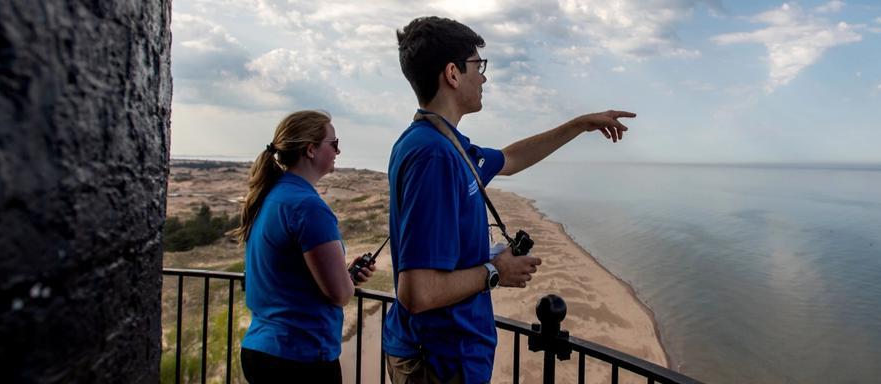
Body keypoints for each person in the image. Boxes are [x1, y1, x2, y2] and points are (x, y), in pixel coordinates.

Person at [384, 16, 636, 384]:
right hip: (439, 360)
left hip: (451, 355)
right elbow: (417, 292)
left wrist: (580, 125)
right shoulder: (432, 155)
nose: (483, 78)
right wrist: (495, 271)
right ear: (453, 74)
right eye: (477, 66)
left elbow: (512, 159)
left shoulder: (448, 145)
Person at [230, 110, 377, 384]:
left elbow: (290, 275)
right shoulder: (307, 207)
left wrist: (341, 273)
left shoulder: (272, 197)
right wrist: (345, 282)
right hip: (300, 357)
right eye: (333, 143)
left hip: (262, 350)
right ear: (310, 150)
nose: (339, 150)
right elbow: (340, 294)